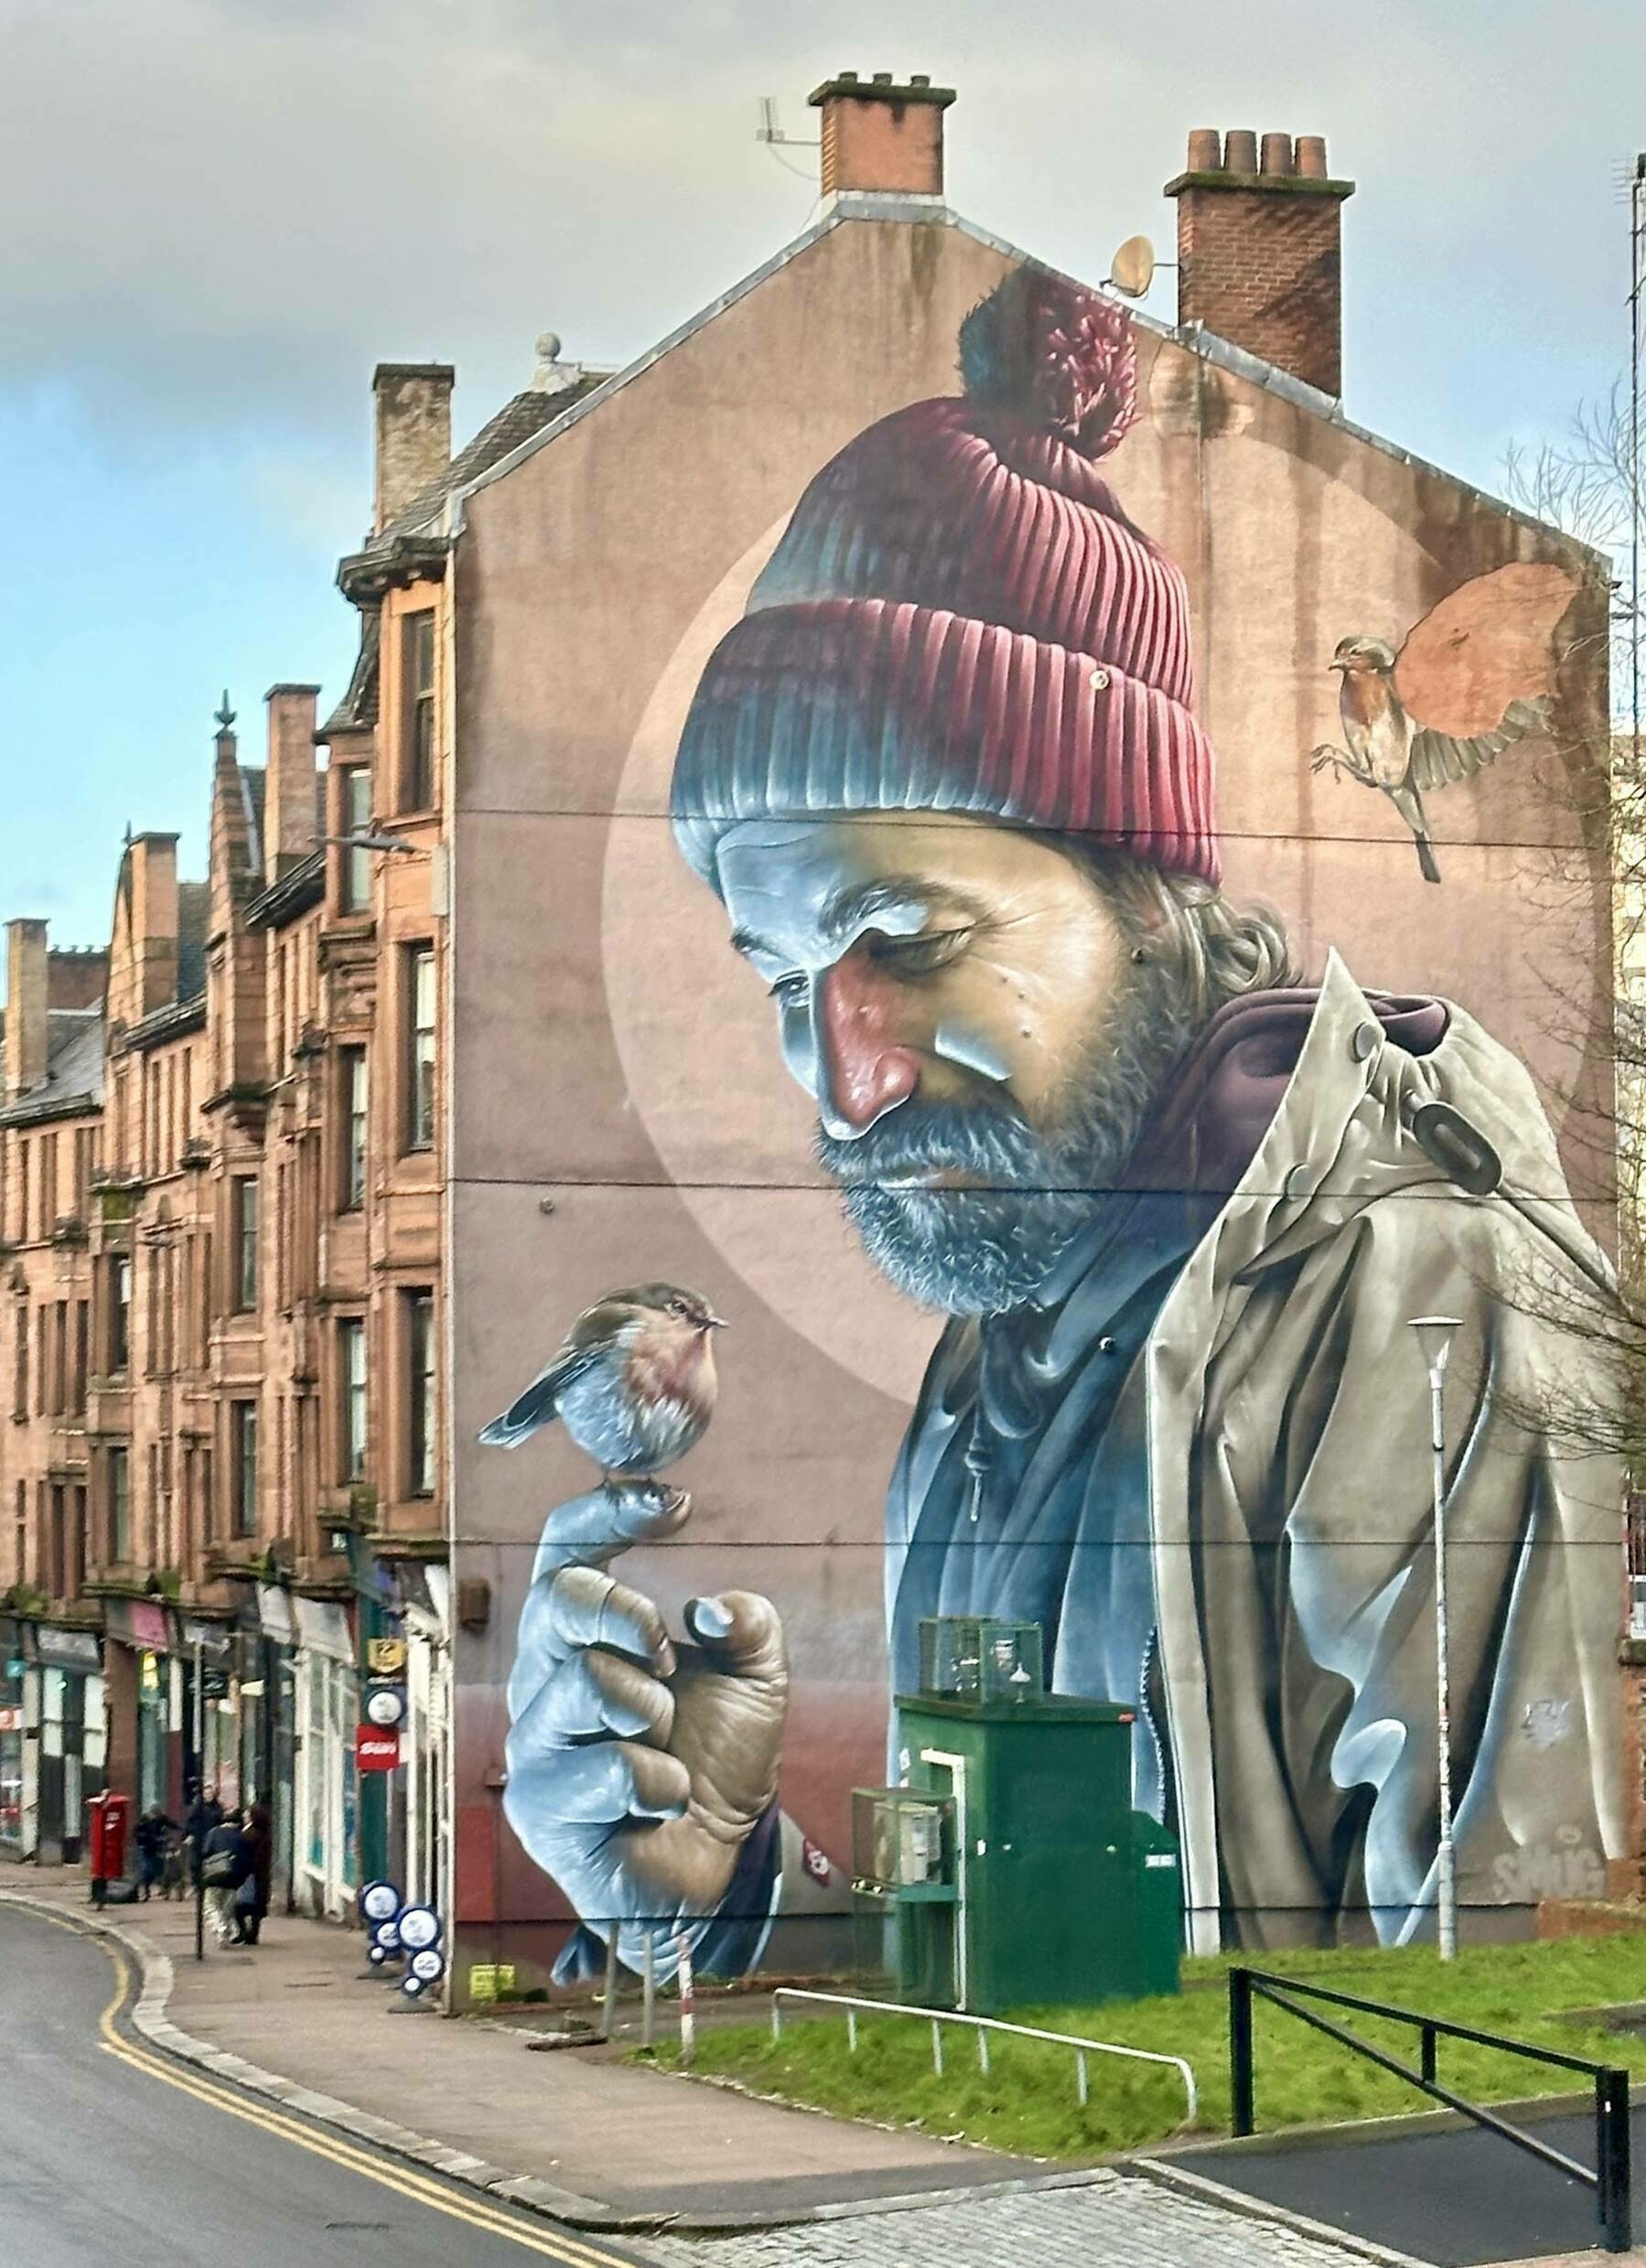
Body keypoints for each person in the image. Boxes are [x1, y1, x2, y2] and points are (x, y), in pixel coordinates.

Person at [503, 269, 1627, 1976]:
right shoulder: (988, 1369)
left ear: (1152, 903)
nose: (843, 1072)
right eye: (782, 977)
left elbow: (1503, 2052)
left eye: (904, 939)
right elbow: (1005, 1977)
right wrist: (728, 1895)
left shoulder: (1408, 1294)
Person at [199, 1807, 250, 1947]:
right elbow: (246, 1861)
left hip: (215, 1876)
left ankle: (221, 1930)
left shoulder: (214, 1833)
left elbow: (205, 1851)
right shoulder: (241, 1837)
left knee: (211, 1907)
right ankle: (225, 1934)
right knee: (226, 1909)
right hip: (233, 1880)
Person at [236, 1804, 273, 1946]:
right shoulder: (265, 1834)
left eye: (247, 1814)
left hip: (249, 1874)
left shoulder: (249, 1834)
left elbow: (242, 1852)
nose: (244, 1816)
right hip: (261, 1875)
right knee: (256, 1905)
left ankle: (244, 1932)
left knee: (240, 1905)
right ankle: (253, 1933)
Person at [133, 1805, 177, 1903]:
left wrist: (180, 1829)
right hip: (145, 1847)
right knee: (147, 1870)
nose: (155, 1819)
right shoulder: (144, 1820)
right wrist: (150, 1837)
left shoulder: (161, 1819)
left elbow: (171, 1824)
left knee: (159, 1869)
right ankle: (145, 1890)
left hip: (156, 1847)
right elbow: (136, 1833)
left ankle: (161, 1889)